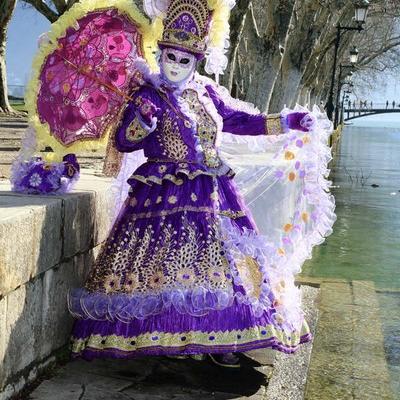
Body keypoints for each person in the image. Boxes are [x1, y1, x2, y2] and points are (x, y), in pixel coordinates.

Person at [12, 0, 335, 368]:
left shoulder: (206, 94)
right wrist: (142, 125)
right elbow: (123, 141)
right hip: (162, 197)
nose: (177, 66)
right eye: (171, 57)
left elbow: (239, 121)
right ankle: (171, 339)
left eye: (185, 60)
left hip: (215, 194)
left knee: (227, 266)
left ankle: (221, 338)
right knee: (170, 270)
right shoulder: (147, 94)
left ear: (196, 61)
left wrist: (287, 121)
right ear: (161, 53)